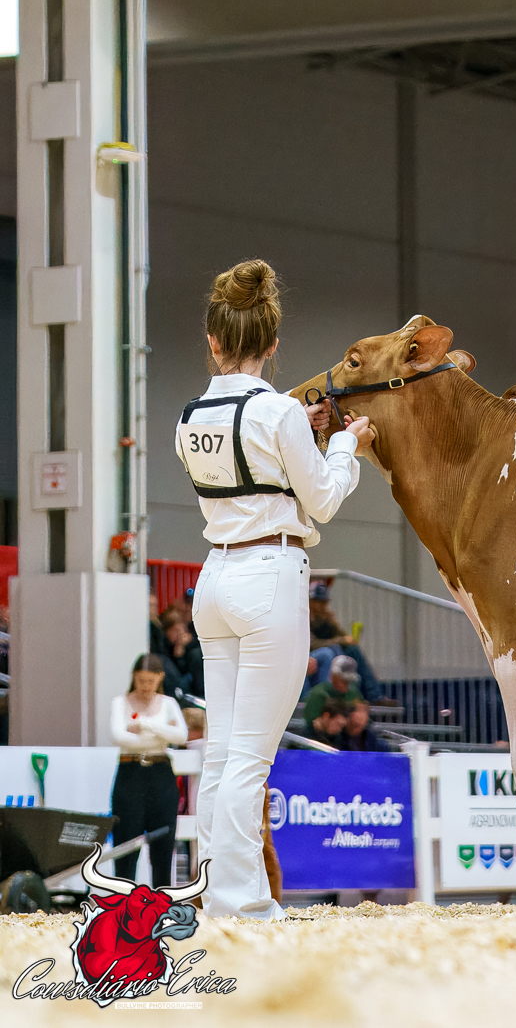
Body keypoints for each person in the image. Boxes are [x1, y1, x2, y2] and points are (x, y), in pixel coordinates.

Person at [179, 258, 371, 919]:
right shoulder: (280, 412)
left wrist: (298, 433)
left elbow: (246, 465)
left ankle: (213, 894)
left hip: (214, 577)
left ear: (213, 340)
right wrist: (344, 446)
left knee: (220, 754)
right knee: (249, 759)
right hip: (269, 576)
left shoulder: (189, 417)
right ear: (273, 342)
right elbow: (322, 500)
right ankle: (244, 904)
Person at [110, 654, 189, 885]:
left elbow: (181, 736)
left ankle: (162, 899)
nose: (145, 686)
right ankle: (124, 899)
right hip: (130, 773)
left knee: (163, 844)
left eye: (150, 681)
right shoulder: (120, 702)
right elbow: (118, 737)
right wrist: (161, 735)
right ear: (134, 677)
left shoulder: (169, 703)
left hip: (161, 774)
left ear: (160, 678)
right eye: (141, 680)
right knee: (126, 844)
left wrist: (145, 725)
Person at [303, 655, 365, 721]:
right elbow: (310, 721)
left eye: (348, 680)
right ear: (333, 676)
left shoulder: (354, 694)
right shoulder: (318, 694)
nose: (346, 684)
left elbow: (364, 717)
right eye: (343, 679)